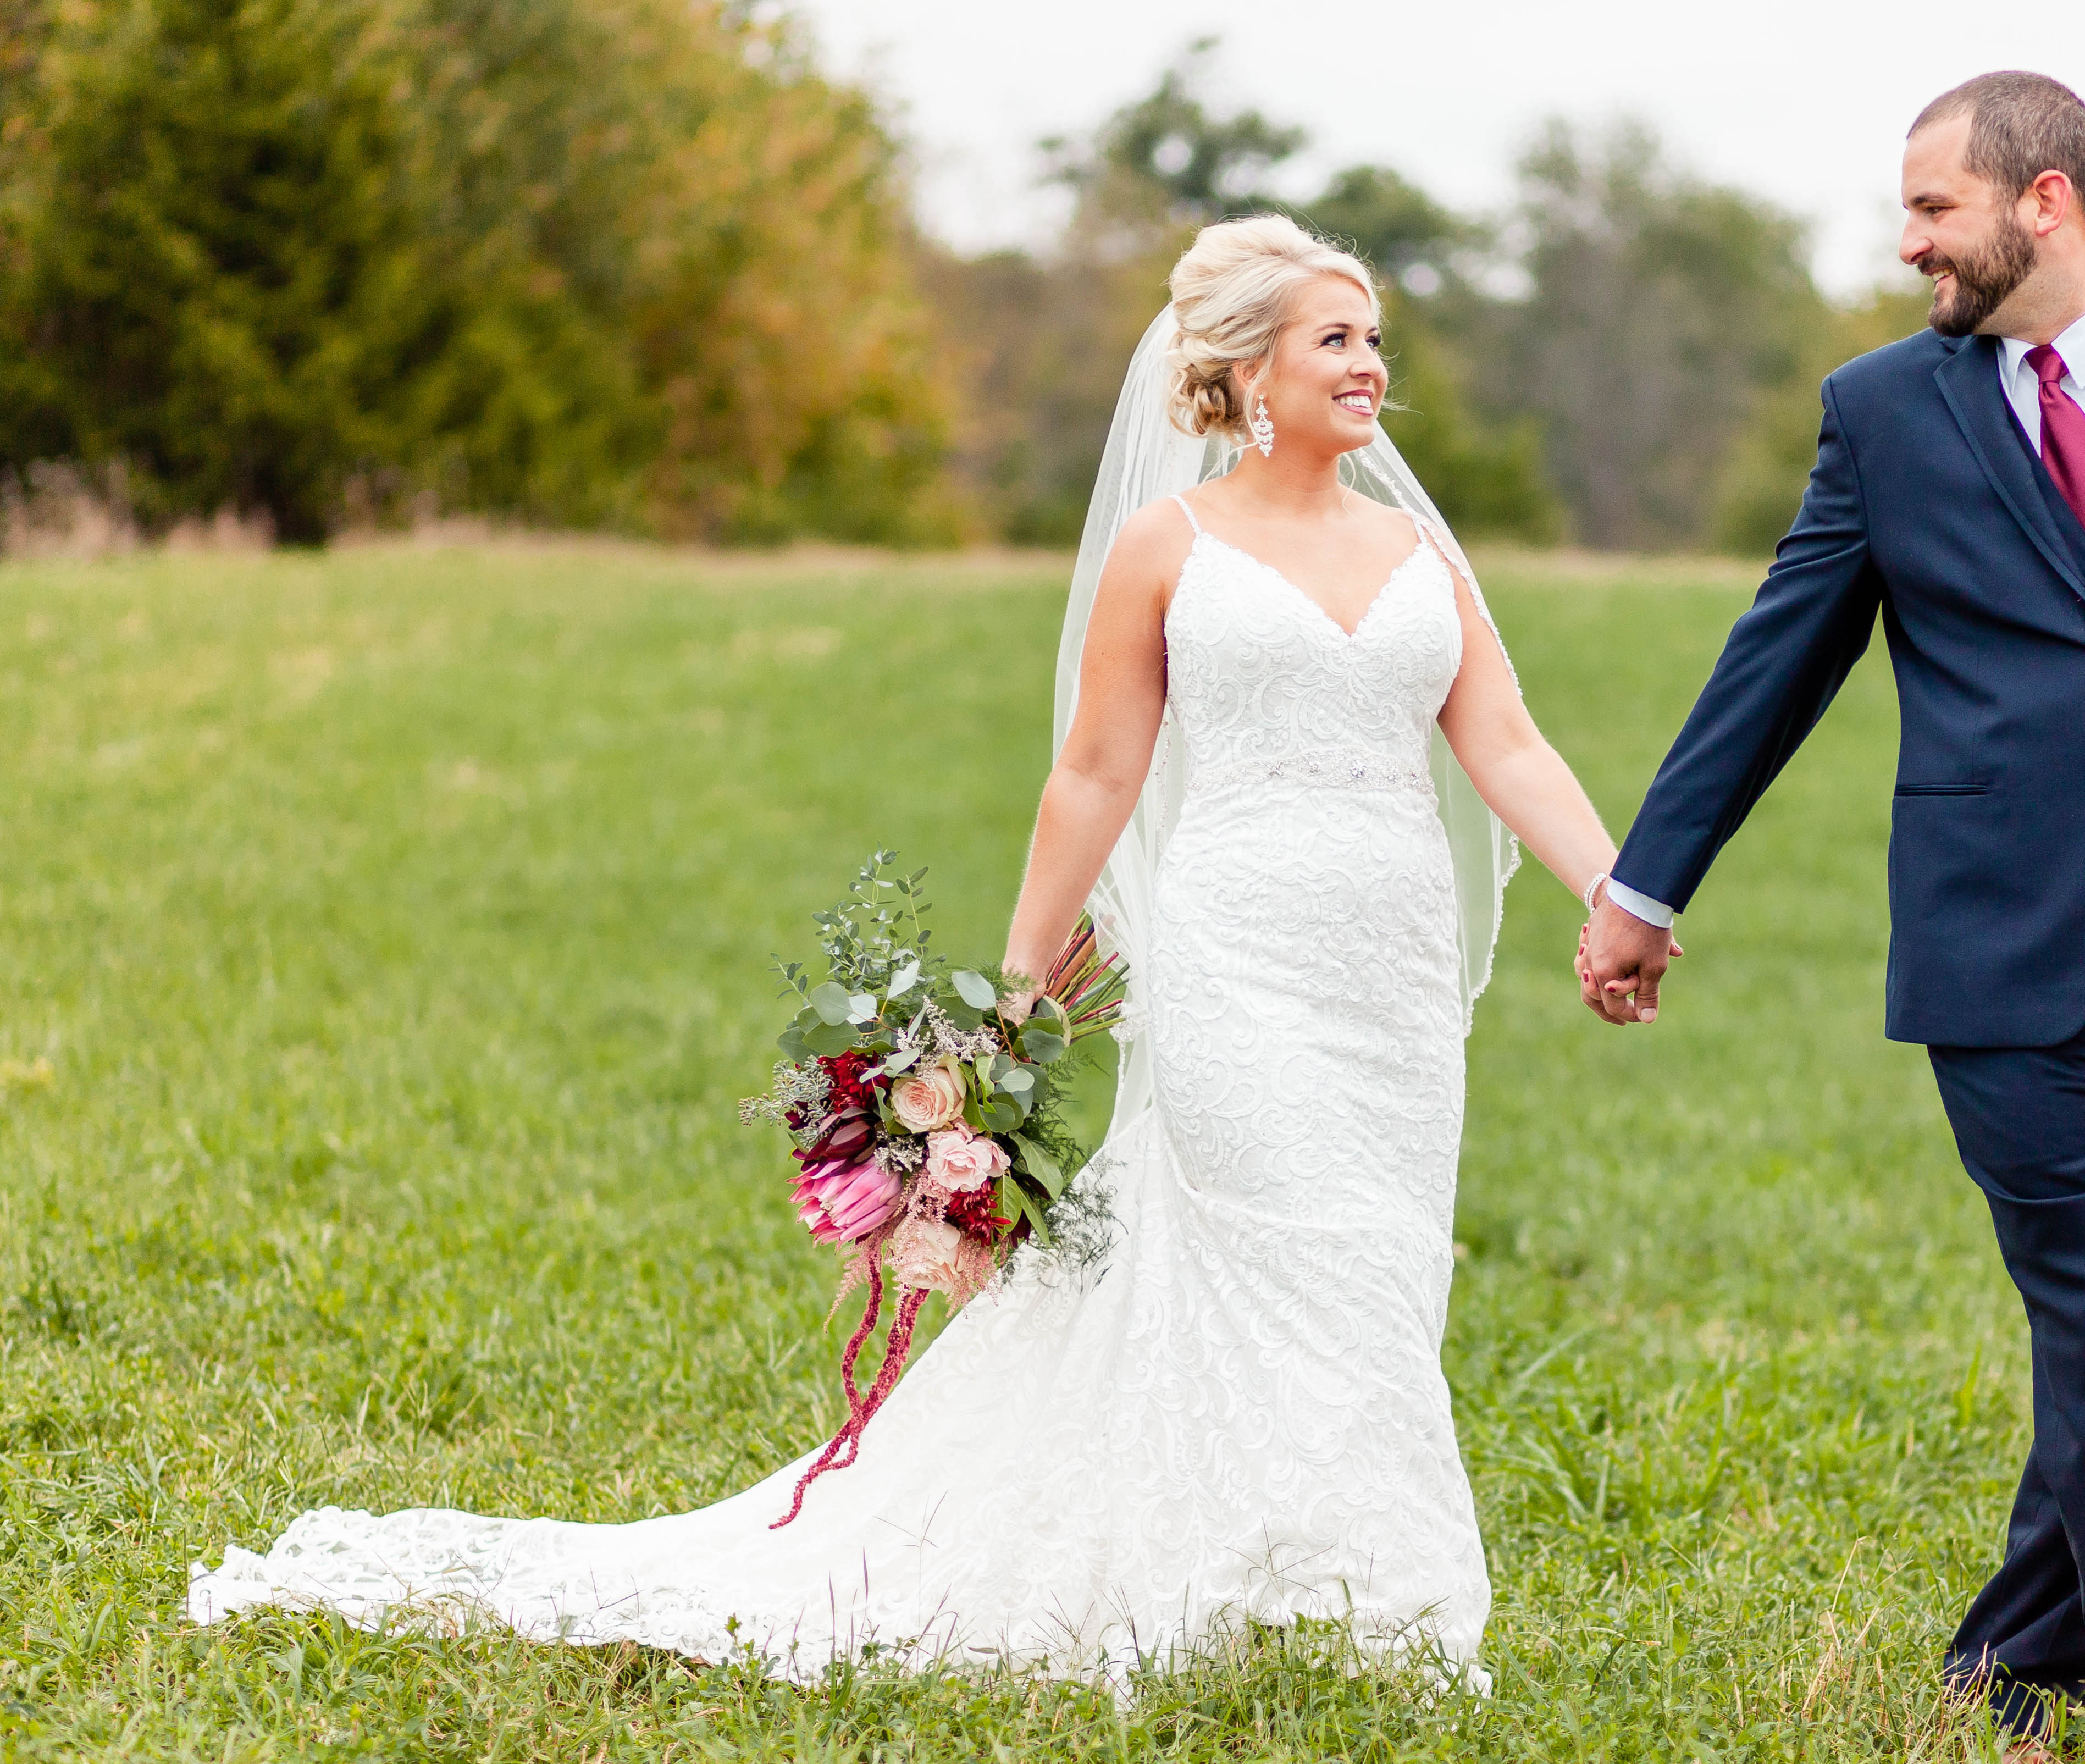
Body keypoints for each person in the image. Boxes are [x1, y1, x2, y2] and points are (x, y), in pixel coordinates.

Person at [190, 216, 1634, 1686]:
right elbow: (1092, 775)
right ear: (1251, 368)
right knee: (1286, 1241)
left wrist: (1613, 892)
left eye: (1374, 337)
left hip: (1383, 974)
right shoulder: (1170, 547)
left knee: (1378, 1262)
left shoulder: (1414, 554)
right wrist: (1019, 985)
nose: (1370, 364)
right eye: (1337, 337)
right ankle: (1372, 1608)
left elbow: (1505, 743)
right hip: (1239, 954)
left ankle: (1325, 1584)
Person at [1578, 73, 2085, 1764]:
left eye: (1931, 210)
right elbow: (1777, 657)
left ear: (2044, 203)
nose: (1905, 245)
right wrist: (1646, 886)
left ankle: (2005, 1657)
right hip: (2006, 954)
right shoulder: (1885, 413)